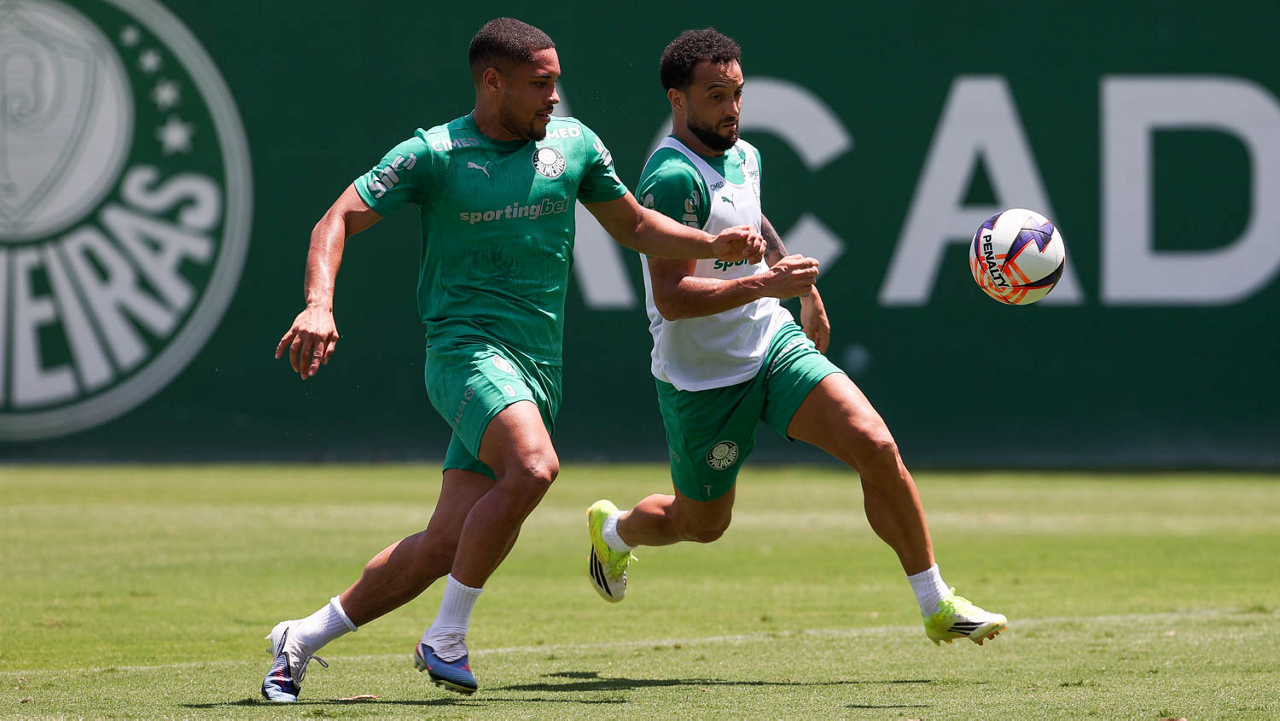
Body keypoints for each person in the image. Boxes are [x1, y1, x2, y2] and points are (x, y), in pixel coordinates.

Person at [262, 18, 764, 702]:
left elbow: (637, 226)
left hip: (535, 370)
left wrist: (711, 241)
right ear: (492, 82)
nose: (554, 97)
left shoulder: (575, 145)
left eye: (556, 82)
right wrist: (318, 303)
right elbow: (336, 218)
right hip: (463, 354)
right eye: (540, 84)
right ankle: (445, 638)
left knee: (444, 544)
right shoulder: (433, 153)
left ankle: (301, 637)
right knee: (534, 465)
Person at [584, 28, 1007, 652]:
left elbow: (753, 219)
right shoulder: (671, 178)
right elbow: (671, 299)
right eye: (715, 95)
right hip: (702, 378)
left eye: (737, 92)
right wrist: (764, 286)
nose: (731, 107)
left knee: (875, 444)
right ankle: (614, 532)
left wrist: (801, 291)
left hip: (772, 345)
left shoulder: (745, 154)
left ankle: (935, 602)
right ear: (678, 100)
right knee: (701, 524)